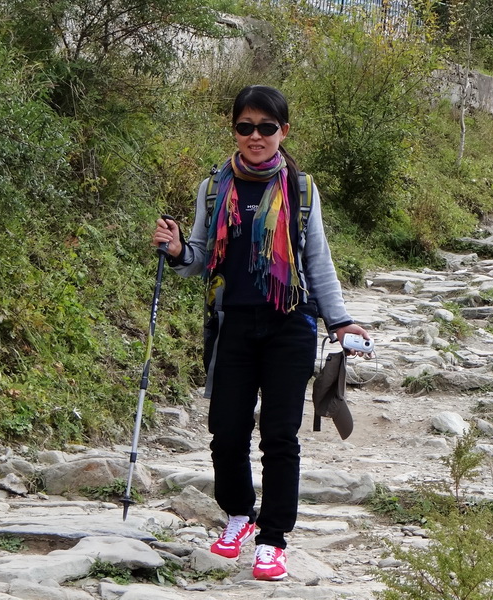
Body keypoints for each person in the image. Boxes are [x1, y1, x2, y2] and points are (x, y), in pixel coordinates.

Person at [152, 85, 370, 581]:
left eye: (266, 128)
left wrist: (339, 320)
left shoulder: (301, 188)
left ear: (283, 132)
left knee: (279, 434)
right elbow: (202, 257)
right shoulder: (214, 187)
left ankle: (273, 538)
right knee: (225, 429)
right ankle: (237, 516)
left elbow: (317, 261)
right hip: (232, 325)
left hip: (290, 324)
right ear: (234, 130)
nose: (256, 136)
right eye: (246, 127)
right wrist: (176, 250)